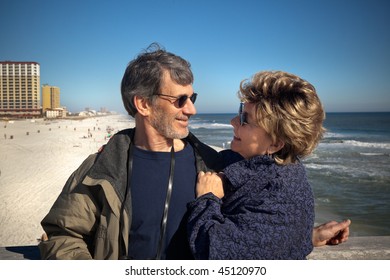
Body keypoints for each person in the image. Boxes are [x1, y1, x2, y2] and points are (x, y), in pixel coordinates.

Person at [38, 44, 350, 260]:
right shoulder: (103, 169)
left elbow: (251, 238)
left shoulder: (215, 168)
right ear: (143, 104)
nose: (192, 109)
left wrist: (304, 237)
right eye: (180, 100)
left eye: (193, 97)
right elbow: (61, 235)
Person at [187, 70, 347, 259]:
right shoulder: (256, 165)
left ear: (275, 143)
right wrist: (306, 237)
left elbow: (213, 253)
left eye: (245, 120)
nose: (233, 122)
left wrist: (207, 198)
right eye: (240, 113)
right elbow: (264, 238)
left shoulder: (283, 193)